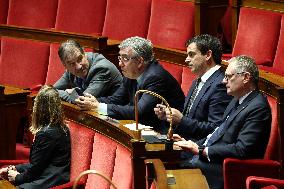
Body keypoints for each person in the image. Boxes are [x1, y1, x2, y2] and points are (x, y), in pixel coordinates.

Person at [174, 55, 271, 189]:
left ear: (246, 78)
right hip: (209, 161)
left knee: (169, 176)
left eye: (228, 76)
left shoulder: (258, 108)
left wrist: (202, 150)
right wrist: (191, 144)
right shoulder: (236, 100)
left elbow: (242, 149)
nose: (224, 81)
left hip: (225, 170)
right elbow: (218, 133)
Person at [75, 36, 185, 133]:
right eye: (119, 58)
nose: (120, 63)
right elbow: (117, 99)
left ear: (140, 62)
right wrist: (93, 102)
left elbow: (139, 112)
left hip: (167, 132)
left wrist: (99, 107)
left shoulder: (155, 77)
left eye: (125, 59)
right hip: (145, 126)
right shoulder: (132, 73)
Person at [154, 34, 232, 141]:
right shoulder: (197, 80)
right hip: (182, 140)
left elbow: (215, 128)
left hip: (197, 149)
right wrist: (169, 116)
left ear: (208, 55)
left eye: (191, 55)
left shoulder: (221, 84)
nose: (186, 60)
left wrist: (181, 120)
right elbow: (190, 116)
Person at [0, 85, 71, 188]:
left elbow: (35, 170)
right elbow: (38, 164)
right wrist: (15, 168)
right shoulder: (61, 126)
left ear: (38, 107)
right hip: (54, 175)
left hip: (50, 181)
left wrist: (17, 177)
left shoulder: (46, 133)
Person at [54, 39, 122, 103]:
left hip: (113, 112)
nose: (79, 67)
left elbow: (83, 101)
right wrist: (69, 93)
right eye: (72, 63)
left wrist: (72, 92)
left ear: (84, 53)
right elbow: (50, 90)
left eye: (80, 59)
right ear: (65, 65)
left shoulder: (102, 69)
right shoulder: (70, 70)